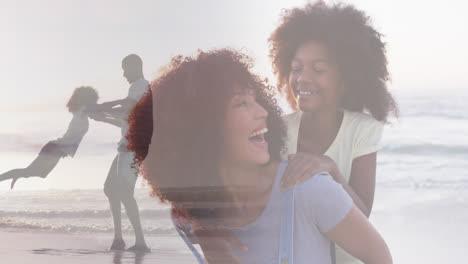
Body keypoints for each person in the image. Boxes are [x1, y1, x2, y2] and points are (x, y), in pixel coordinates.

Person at [126, 49, 392, 264]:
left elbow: (381, 258)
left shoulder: (310, 190)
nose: (263, 112)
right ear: (203, 128)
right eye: (241, 103)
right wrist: (207, 237)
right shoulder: (196, 216)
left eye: (256, 100)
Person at [268, 2, 399, 263]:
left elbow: (362, 215)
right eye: (296, 68)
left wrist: (331, 169)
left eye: (318, 70)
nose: (302, 78)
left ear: (346, 78)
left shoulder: (362, 130)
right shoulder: (277, 130)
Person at [88, 54, 149, 251]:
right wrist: (103, 117)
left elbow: (126, 107)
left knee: (124, 192)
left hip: (132, 148)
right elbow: (125, 120)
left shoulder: (140, 85)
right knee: (110, 189)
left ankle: (140, 242)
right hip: (125, 146)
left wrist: (102, 108)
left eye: (125, 69)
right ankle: (118, 239)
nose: (123, 74)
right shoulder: (136, 88)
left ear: (136, 66)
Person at [0, 86, 98, 189]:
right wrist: (116, 103)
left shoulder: (81, 113)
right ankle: (16, 174)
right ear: (86, 99)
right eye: (93, 100)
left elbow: (101, 109)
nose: (95, 103)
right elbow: (103, 107)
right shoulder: (82, 111)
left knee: (40, 174)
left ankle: (18, 174)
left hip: (58, 149)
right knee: (29, 171)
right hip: (55, 148)